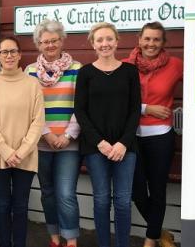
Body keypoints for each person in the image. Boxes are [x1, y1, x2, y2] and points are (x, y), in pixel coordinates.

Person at [74, 22, 141, 247]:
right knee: (101, 200)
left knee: (122, 201)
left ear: (117, 41)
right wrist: (101, 143)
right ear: (93, 44)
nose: (105, 44)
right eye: (100, 40)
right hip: (96, 148)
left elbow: (134, 110)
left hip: (126, 148)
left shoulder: (130, 72)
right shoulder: (85, 73)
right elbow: (80, 111)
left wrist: (123, 143)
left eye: (109, 39)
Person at [0, 36, 45, 247]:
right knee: (2, 205)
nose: (9, 56)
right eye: (4, 52)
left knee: (20, 206)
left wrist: (22, 151)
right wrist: (7, 151)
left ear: (19, 55)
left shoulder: (32, 83)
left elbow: (38, 121)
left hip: (25, 157)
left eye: (13, 51)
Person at [124, 22, 182, 247]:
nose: (151, 43)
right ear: (139, 40)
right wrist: (146, 108)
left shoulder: (176, 65)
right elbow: (120, 99)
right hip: (132, 136)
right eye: (147, 39)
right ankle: (160, 232)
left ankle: (150, 239)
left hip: (161, 135)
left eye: (156, 39)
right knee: (136, 190)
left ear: (163, 43)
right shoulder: (126, 66)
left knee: (157, 189)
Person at [25, 20, 82, 247]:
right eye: (45, 41)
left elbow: (82, 106)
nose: (50, 45)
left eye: (54, 40)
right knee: (47, 192)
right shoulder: (29, 71)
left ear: (62, 41)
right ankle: (55, 238)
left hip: (69, 143)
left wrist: (67, 135)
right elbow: (29, 108)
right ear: (39, 44)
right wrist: (46, 133)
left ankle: (71, 240)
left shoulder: (77, 69)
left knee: (66, 193)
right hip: (41, 143)